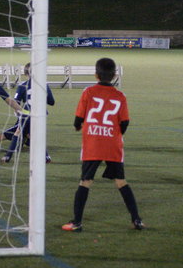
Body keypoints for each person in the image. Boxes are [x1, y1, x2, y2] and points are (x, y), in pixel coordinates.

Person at [62, 57, 144, 232]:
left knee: (85, 181)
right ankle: (136, 220)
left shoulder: (88, 92)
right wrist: (115, 134)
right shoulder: (120, 96)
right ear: (114, 76)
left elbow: (78, 118)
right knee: (121, 181)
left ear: (96, 75)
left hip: (93, 143)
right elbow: (125, 122)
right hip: (112, 144)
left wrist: (77, 126)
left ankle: (77, 223)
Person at [0, 62, 55, 163]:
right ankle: (46, 156)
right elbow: (52, 102)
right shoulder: (44, 85)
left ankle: (7, 156)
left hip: (26, 114)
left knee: (17, 132)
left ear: (26, 74)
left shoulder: (23, 85)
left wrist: (18, 113)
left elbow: (16, 102)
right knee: (35, 134)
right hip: (41, 115)